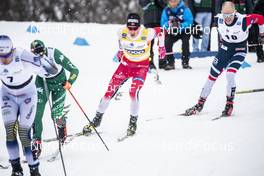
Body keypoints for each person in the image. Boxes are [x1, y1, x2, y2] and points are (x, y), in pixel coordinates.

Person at [82, 13, 166, 136]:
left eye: (135, 28)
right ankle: (97, 119)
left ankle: (133, 122)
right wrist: (121, 50)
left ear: (139, 26)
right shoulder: (121, 32)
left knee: (133, 92)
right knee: (108, 92)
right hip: (125, 66)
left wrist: (161, 47)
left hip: (141, 67)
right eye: (130, 27)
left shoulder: (147, 33)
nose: (132, 31)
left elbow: (161, 31)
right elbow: (120, 40)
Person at [183, 1, 264, 117]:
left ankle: (229, 104)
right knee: (211, 76)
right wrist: (196, 31)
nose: (228, 18)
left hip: (239, 51)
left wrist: (262, 34)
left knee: (230, 74)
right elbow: (205, 28)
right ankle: (199, 104)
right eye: (225, 15)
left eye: (230, 15)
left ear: (235, 12)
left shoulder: (244, 20)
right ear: (221, 13)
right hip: (225, 49)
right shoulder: (218, 19)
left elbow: (261, 18)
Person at [0, 35, 58, 176]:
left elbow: (53, 70)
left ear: (12, 50)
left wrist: (42, 60)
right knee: (10, 132)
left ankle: (34, 169)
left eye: (7, 56)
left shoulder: (21, 55)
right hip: (7, 95)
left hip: (27, 95)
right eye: (1, 56)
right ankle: (16, 169)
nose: (4, 60)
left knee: (23, 133)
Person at [30, 40, 79, 158]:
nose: (39, 56)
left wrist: (70, 82)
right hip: (42, 82)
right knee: (36, 113)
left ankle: (61, 126)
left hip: (59, 82)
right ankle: (36, 141)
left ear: (45, 49)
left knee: (56, 114)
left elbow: (74, 70)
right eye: (35, 53)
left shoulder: (54, 54)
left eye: (41, 52)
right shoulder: (30, 58)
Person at [161, 0, 193, 70]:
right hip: (171, 31)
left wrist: (180, 25)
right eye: (171, 1)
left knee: (185, 42)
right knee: (167, 42)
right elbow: (163, 23)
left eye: (175, 1)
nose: (173, 3)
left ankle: (185, 62)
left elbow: (189, 21)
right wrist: (169, 24)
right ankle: (170, 63)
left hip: (183, 31)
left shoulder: (185, 9)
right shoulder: (166, 10)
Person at [139, 0, 167, 70]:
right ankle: (150, 63)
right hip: (148, 21)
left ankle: (162, 62)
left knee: (162, 41)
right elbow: (142, 5)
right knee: (149, 43)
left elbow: (165, 6)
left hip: (160, 21)